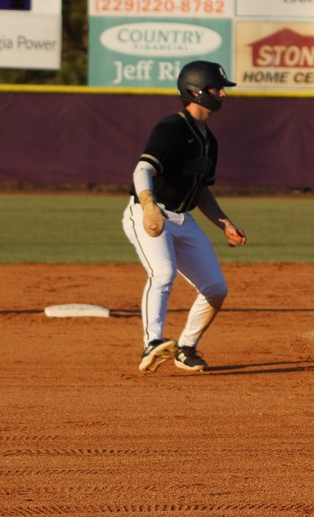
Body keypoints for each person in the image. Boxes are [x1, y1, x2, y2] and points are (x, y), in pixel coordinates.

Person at [122, 60, 247, 374]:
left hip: (182, 219)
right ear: (196, 91)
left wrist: (225, 223)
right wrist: (149, 205)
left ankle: (186, 347)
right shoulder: (171, 128)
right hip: (149, 213)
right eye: (217, 88)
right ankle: (152, 342)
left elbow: (201, 190)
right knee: (163, 274)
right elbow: (143, 169)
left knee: (216, 288)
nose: (223, 94)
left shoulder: (209, 140)